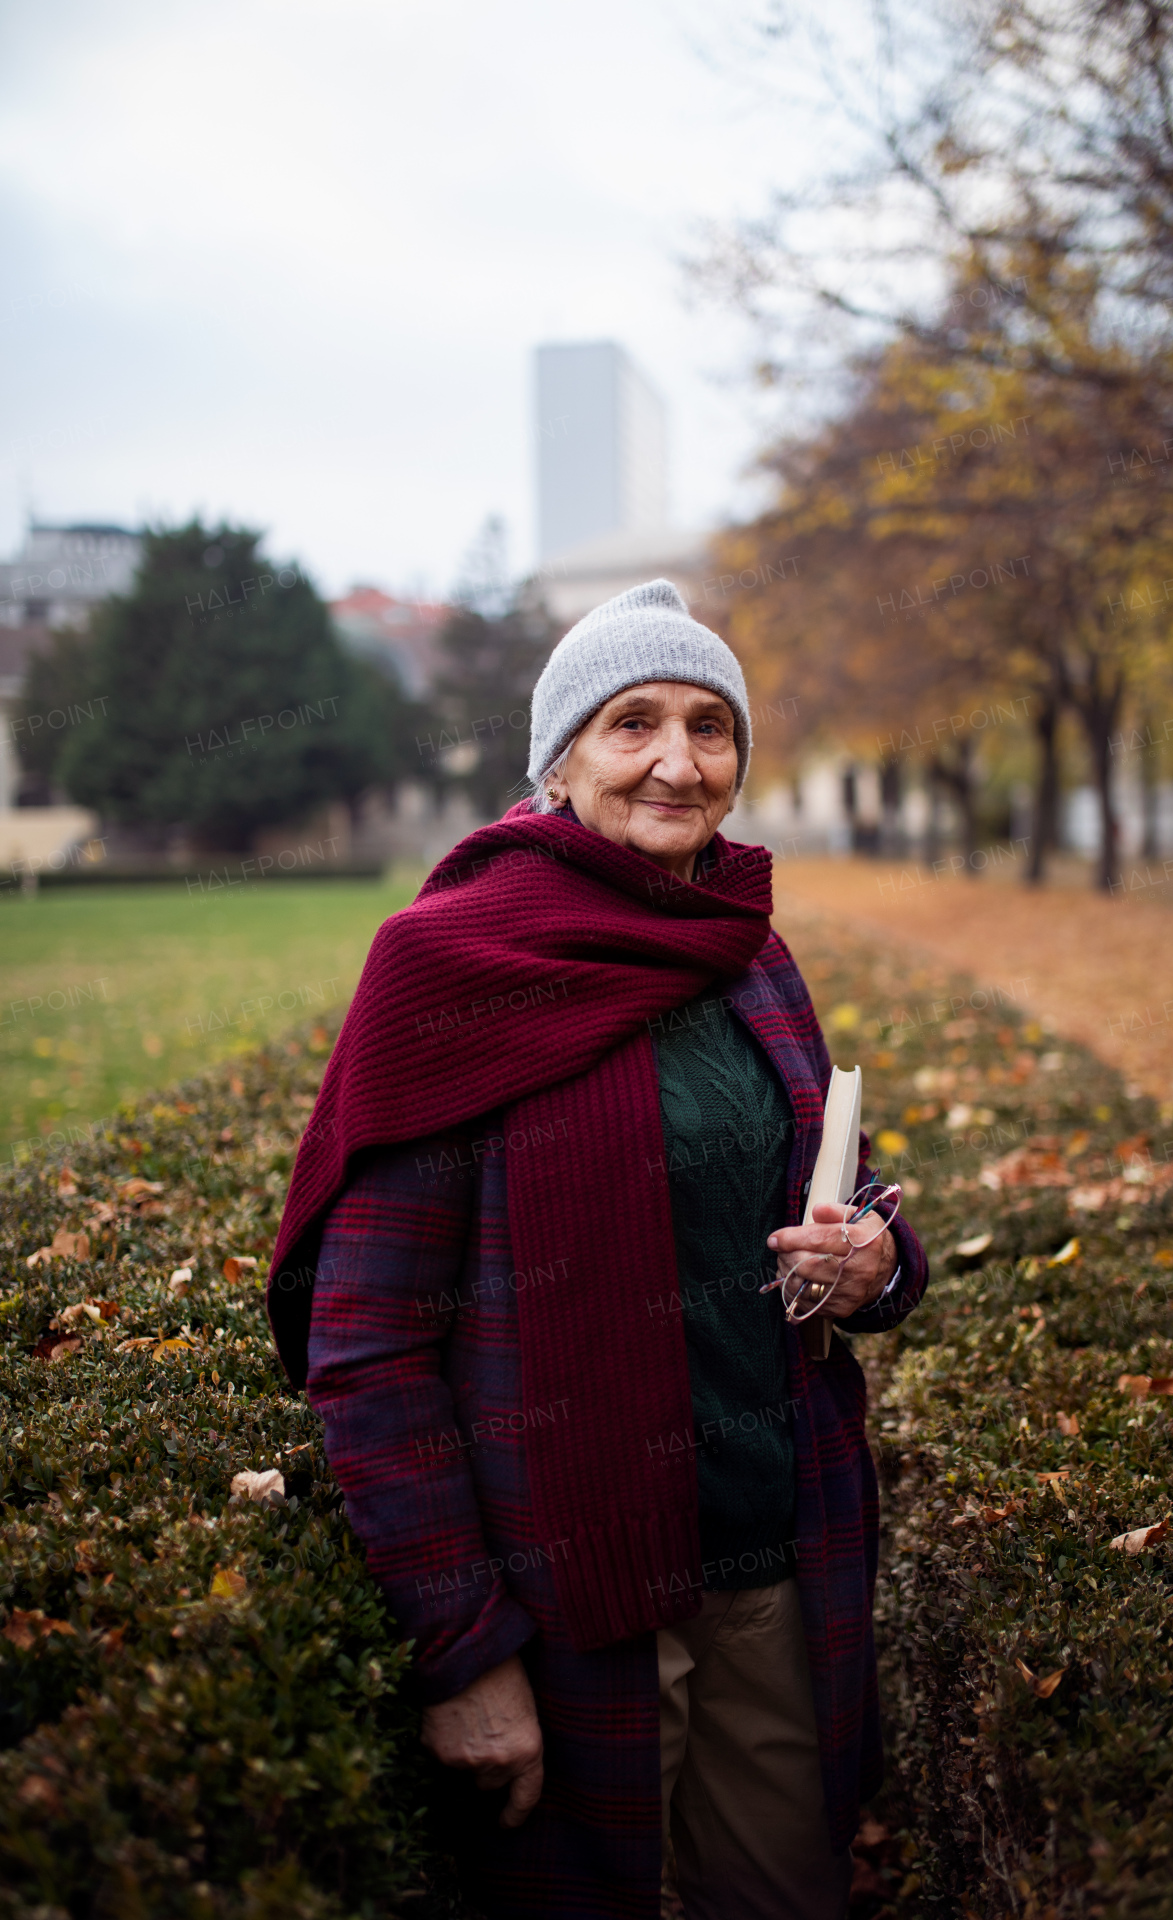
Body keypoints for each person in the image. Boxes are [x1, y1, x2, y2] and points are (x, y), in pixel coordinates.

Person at [268, 579, 928, 1920]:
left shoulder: (744, 951)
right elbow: (368, 1346)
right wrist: (463, 1653)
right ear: (559, 758)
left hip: (770, 1561)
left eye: (709, 725)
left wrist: (876, 1263)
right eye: (633, 724)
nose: (678, 761)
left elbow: (850, 1199)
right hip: (571, 1602)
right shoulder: (446, 967)